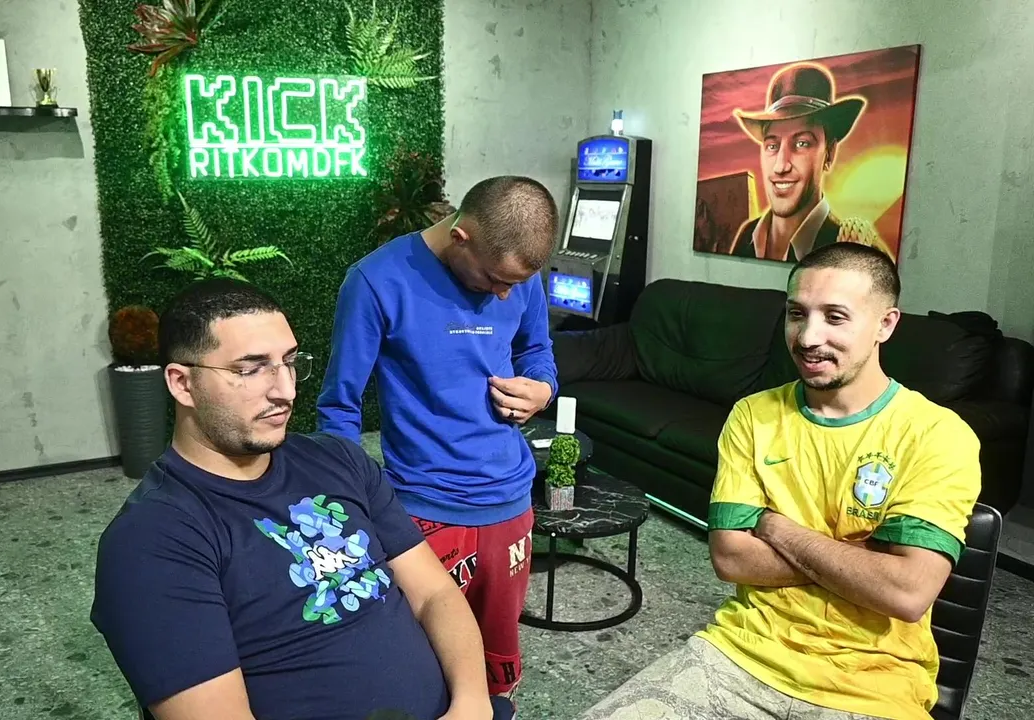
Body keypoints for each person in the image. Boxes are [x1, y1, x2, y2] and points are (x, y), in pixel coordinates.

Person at [580, 242, 981, 720]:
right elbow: (731, 558)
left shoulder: (937, 434)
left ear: (885, 324)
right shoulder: (753, 416)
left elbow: (906, 592)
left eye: (835, 317)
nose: (808, 337)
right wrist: (861, 560)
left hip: (874, 685)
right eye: (797, 314)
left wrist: (777, 528)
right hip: (738, 656)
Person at [90, 278, 513, 720]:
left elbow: (435, 594)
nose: (286, 391)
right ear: (182, 384)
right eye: (251, 369)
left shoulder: (338, 460)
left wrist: (471, 702)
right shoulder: (151, 540)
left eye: (289, 362)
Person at [317, 175, 561, 700]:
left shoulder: (517, 274)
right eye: (495, 279)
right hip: (422, 510)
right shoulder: (375, 281)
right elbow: (339, 407)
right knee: (421, 663)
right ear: (460, 236)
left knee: (496, 663)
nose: (504, 294)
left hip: (511, 502)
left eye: (515, 284)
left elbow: (536, 349)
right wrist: (351, 508)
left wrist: (542, 388)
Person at [729, 61, 887, 261]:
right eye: (772, 145)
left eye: (802, 143)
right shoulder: (747, 237)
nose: (781, 166)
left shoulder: (855, 250)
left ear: (829, 153)